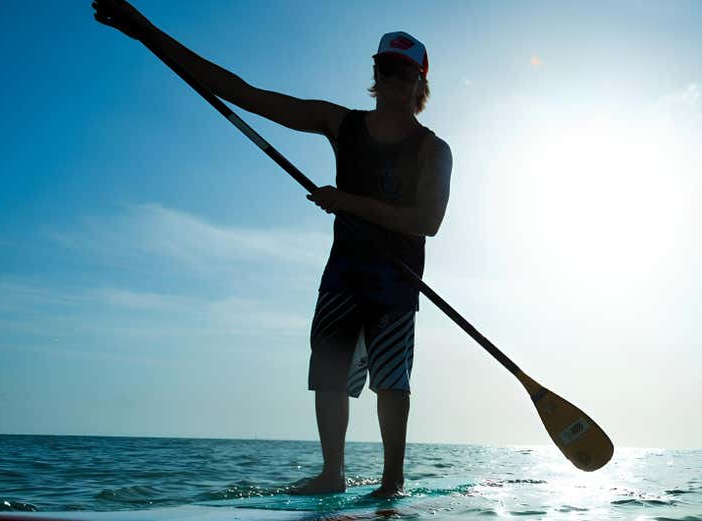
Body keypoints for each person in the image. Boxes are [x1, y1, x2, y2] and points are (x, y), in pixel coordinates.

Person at [92, 0, 452, 499]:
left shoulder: (434, 149)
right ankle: (332, 474)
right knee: (328, 375)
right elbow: (245, 94)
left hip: (396, 282)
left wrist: (347, 201)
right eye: (386, 69)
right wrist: (147, 33)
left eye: (405, 72)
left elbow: (427, 222)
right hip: (344, 276)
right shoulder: (339, 123)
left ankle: (392, 482)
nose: (394, 79)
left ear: (420, 83)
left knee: (391, 381)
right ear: (375, 74)